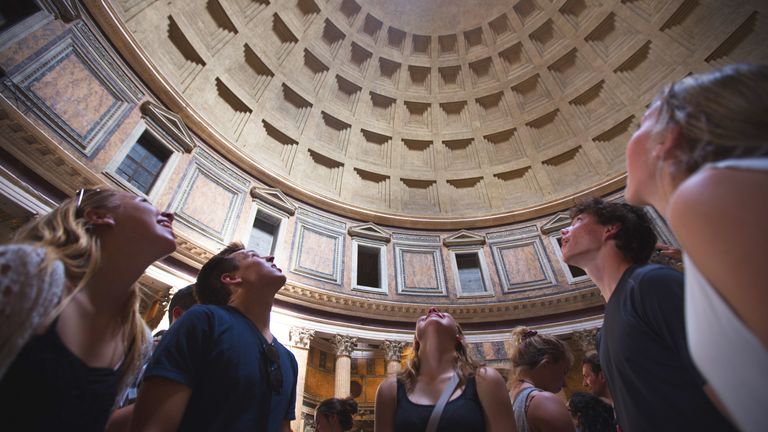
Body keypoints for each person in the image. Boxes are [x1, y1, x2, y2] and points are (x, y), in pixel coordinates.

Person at [623, 63, 768, 432]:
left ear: (667, 138)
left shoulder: (707, 195)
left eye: (641, 125)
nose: (630, 139)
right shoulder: (728, 198)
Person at [0, 189, 176, 431]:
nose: (169, 213)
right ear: (99, 216)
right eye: (144, 202)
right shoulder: (28, 272)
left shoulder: (137, 339)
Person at [559, 197, 735, 432]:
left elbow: (729, 381)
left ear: (611, 228)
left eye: (578, 221)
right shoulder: (606, 328)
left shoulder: (652, 284)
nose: (564, 229)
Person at [131, 242, 298, 432]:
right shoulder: (204, 322)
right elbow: (155, 425)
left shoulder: (289, 359)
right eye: (254, 256)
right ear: (231, 278)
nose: (271, 258)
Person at [374, 307, 515, 432]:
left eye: (443, 313)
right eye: (426, 315)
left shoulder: (485, 380)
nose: (432, 309)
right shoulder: (389, 390)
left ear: (458, 336)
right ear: (416, 341)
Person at [508, 326, 575, 432]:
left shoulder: (509, 400)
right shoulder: (544, 402)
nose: (564, 383)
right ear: (546, 364)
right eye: (564, 372)